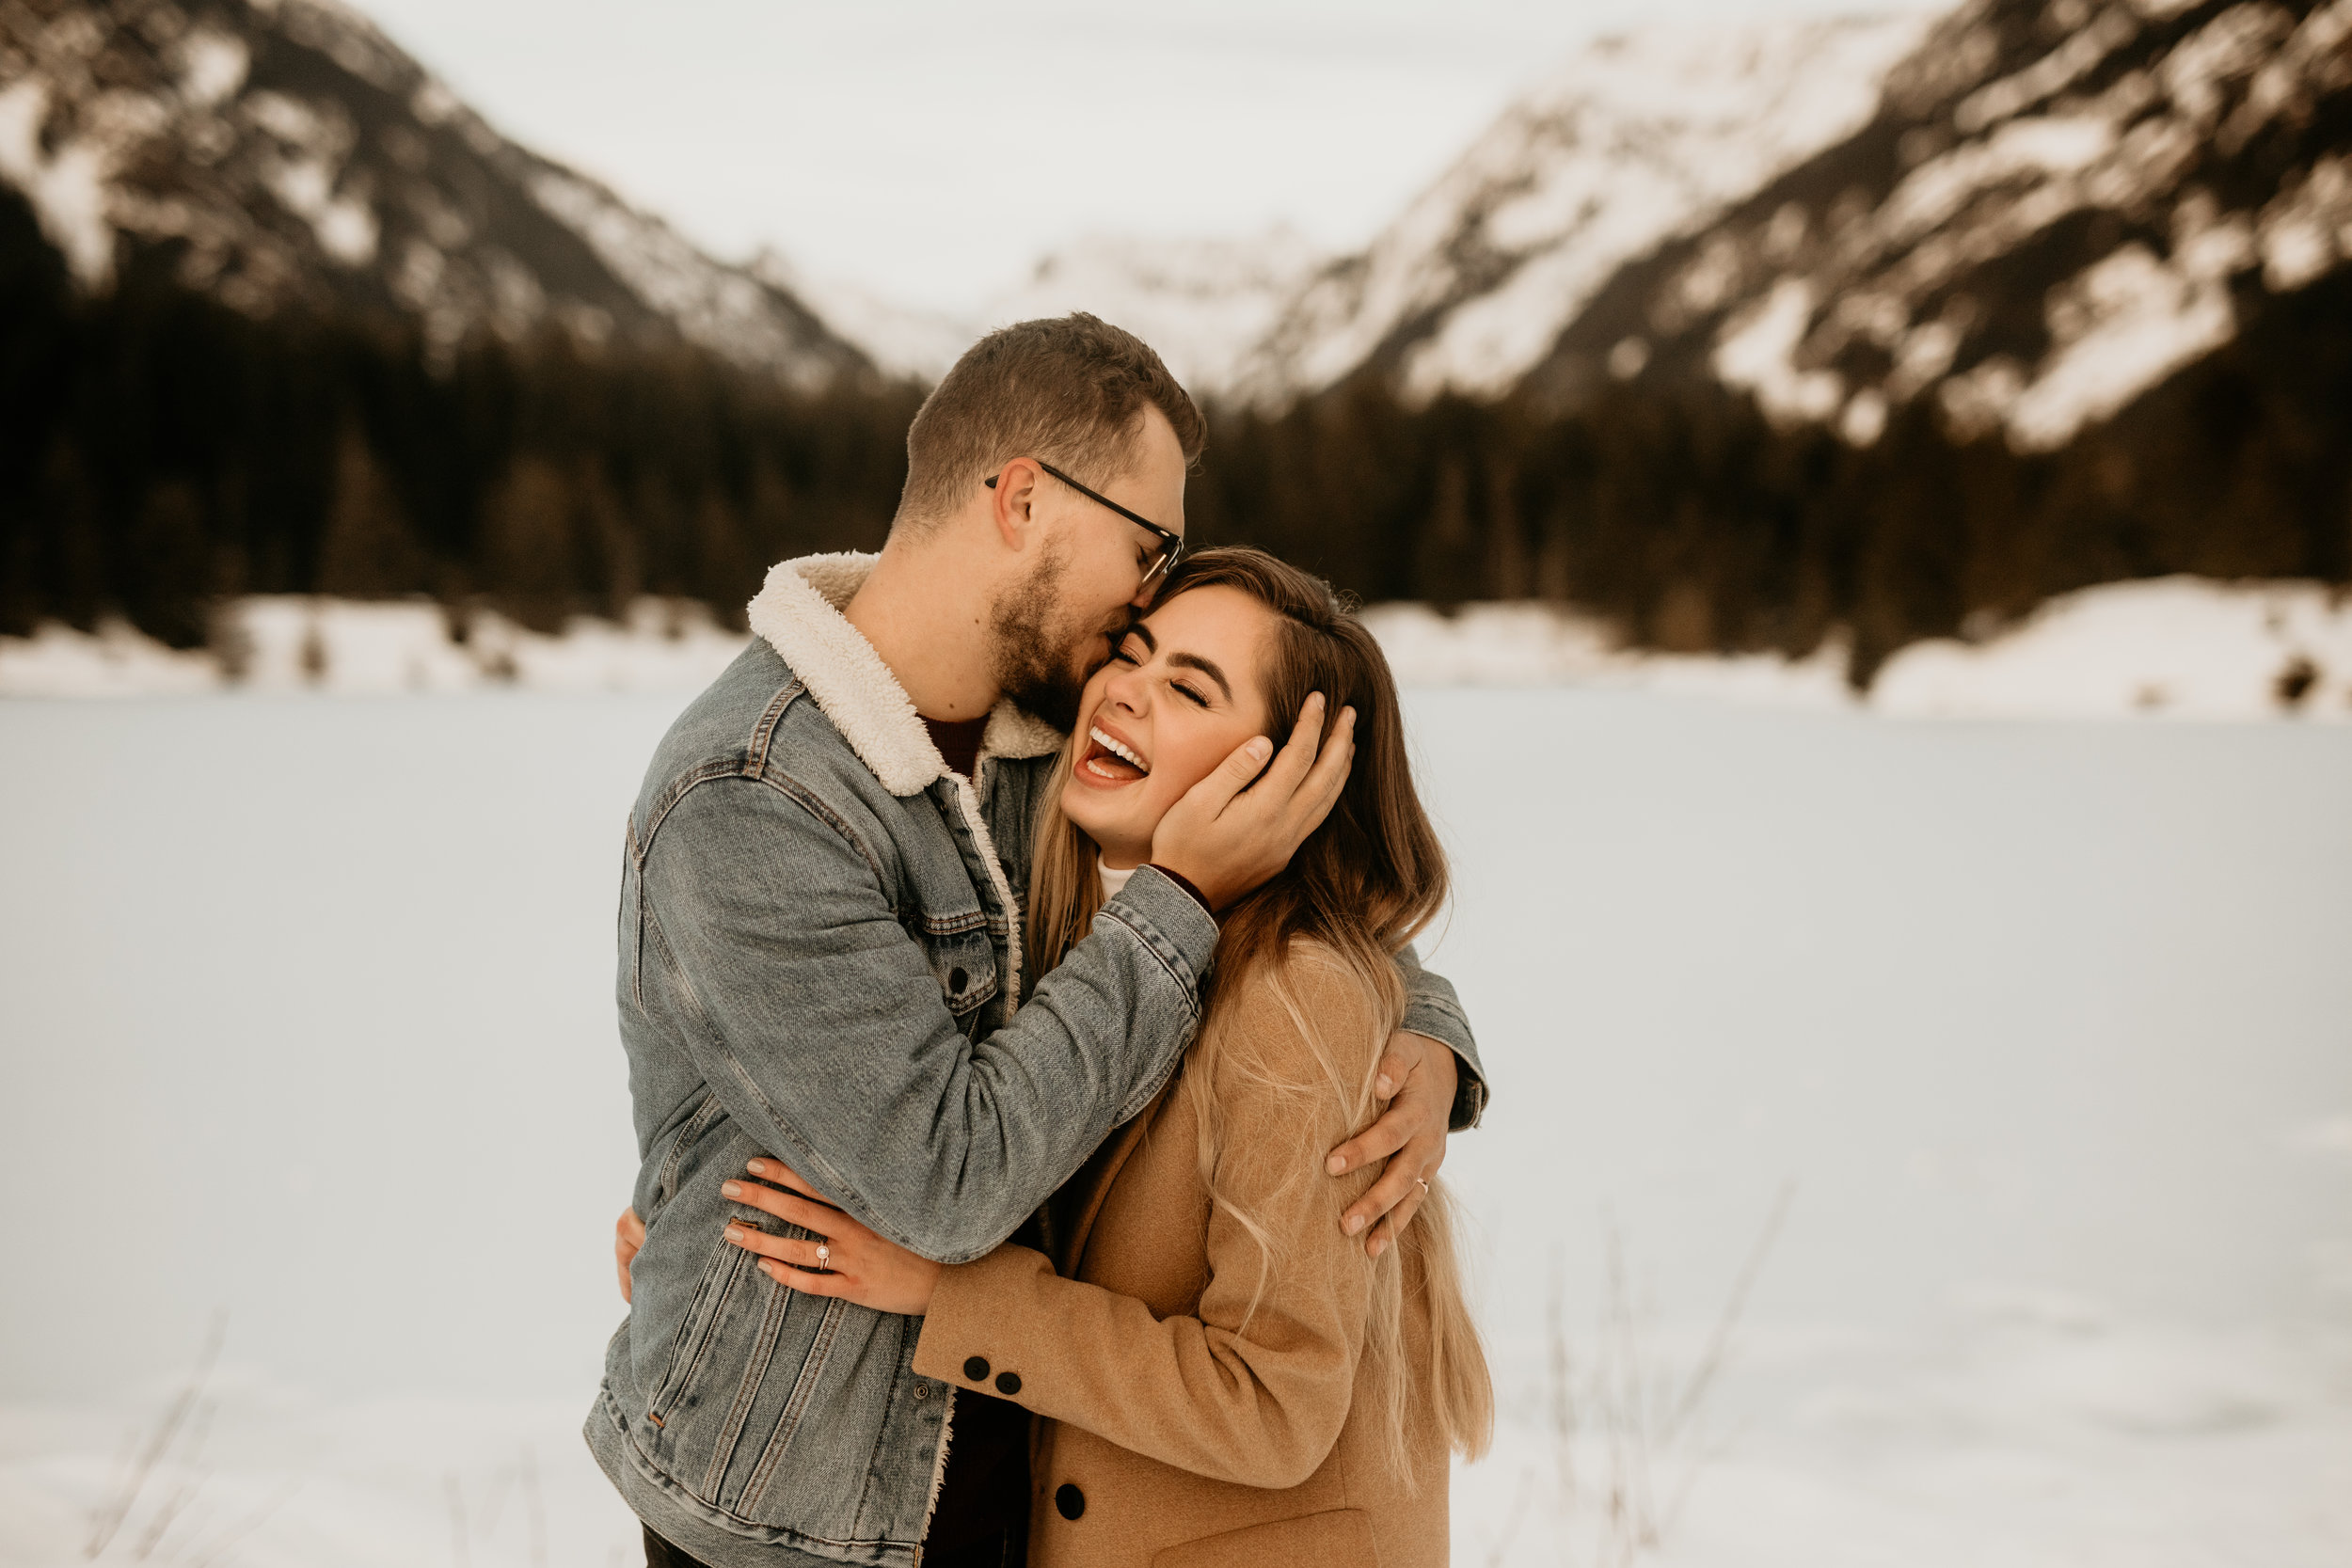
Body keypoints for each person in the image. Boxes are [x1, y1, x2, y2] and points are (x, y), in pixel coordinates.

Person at [590, 316, 1488, 1568]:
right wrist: (1180, 895)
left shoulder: (1036, 741)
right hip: (797, 1510)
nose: (1151, 589)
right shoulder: (758, 791)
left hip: (1005, 1475)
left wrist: (1420, 1030)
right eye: (1147, 543)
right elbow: (943, 1182)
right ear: (1023, 499)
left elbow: (1287, 909)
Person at [714, 548, 1493, 1567]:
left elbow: (1273, 1402)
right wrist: (705, 1236)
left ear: (1286, 780)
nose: (1125, 688)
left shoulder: (1296, 1000)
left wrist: (953, 1293)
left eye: (1189, 687)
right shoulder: (1062, 920)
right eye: (1132, 654)